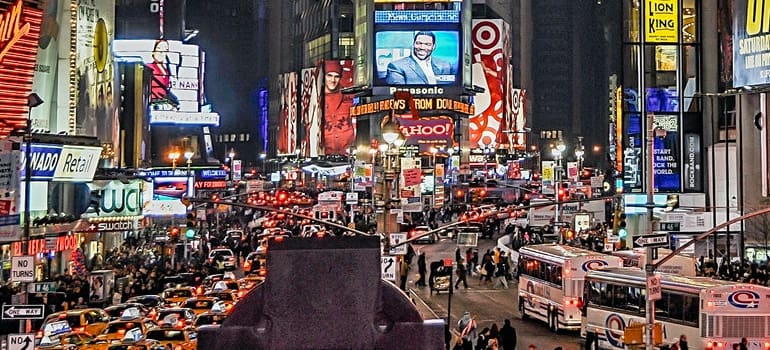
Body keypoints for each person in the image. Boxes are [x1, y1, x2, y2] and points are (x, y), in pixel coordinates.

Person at [385, 31, 455, 85]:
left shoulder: (446, 66)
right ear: (413, 44)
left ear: (433, 47)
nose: (422, 47)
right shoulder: (396, 66)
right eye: (419, 43)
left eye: (427, 44)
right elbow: (398, 94)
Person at [322, 60, 355, 155]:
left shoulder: (347, 96)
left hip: (347, 152)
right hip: (323, 153)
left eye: (336, 76)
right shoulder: (316, 98)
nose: (333, 80)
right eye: (329, 75)